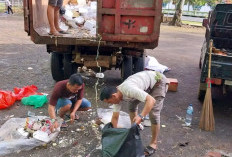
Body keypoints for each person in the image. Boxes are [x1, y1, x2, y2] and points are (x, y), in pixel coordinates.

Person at [100, 70, 169, 156]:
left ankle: (154, 144)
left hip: (158, 82)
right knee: (131, 106)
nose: (110, 104)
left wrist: (141, 116)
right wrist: (115, 137)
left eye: (109, 102)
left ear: (114, 95)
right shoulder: (117, 97)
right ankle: (135, 128)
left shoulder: (128, 89)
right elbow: (115, 117)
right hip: (144, 85)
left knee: (153, 113)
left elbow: (151, 100)